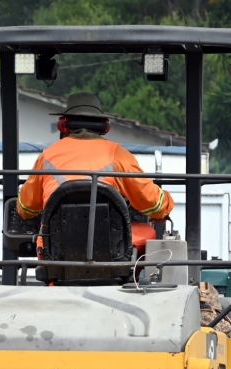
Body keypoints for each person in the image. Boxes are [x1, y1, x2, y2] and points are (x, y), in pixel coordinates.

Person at [16, 92, 174, 254]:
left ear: (63, 125)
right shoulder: (118, 155)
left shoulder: (46, 156)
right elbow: (154, 204)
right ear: (105, 126)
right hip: (109, 254)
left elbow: (25, 209)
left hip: (56, 255)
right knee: (148, 231)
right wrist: (167, 202)